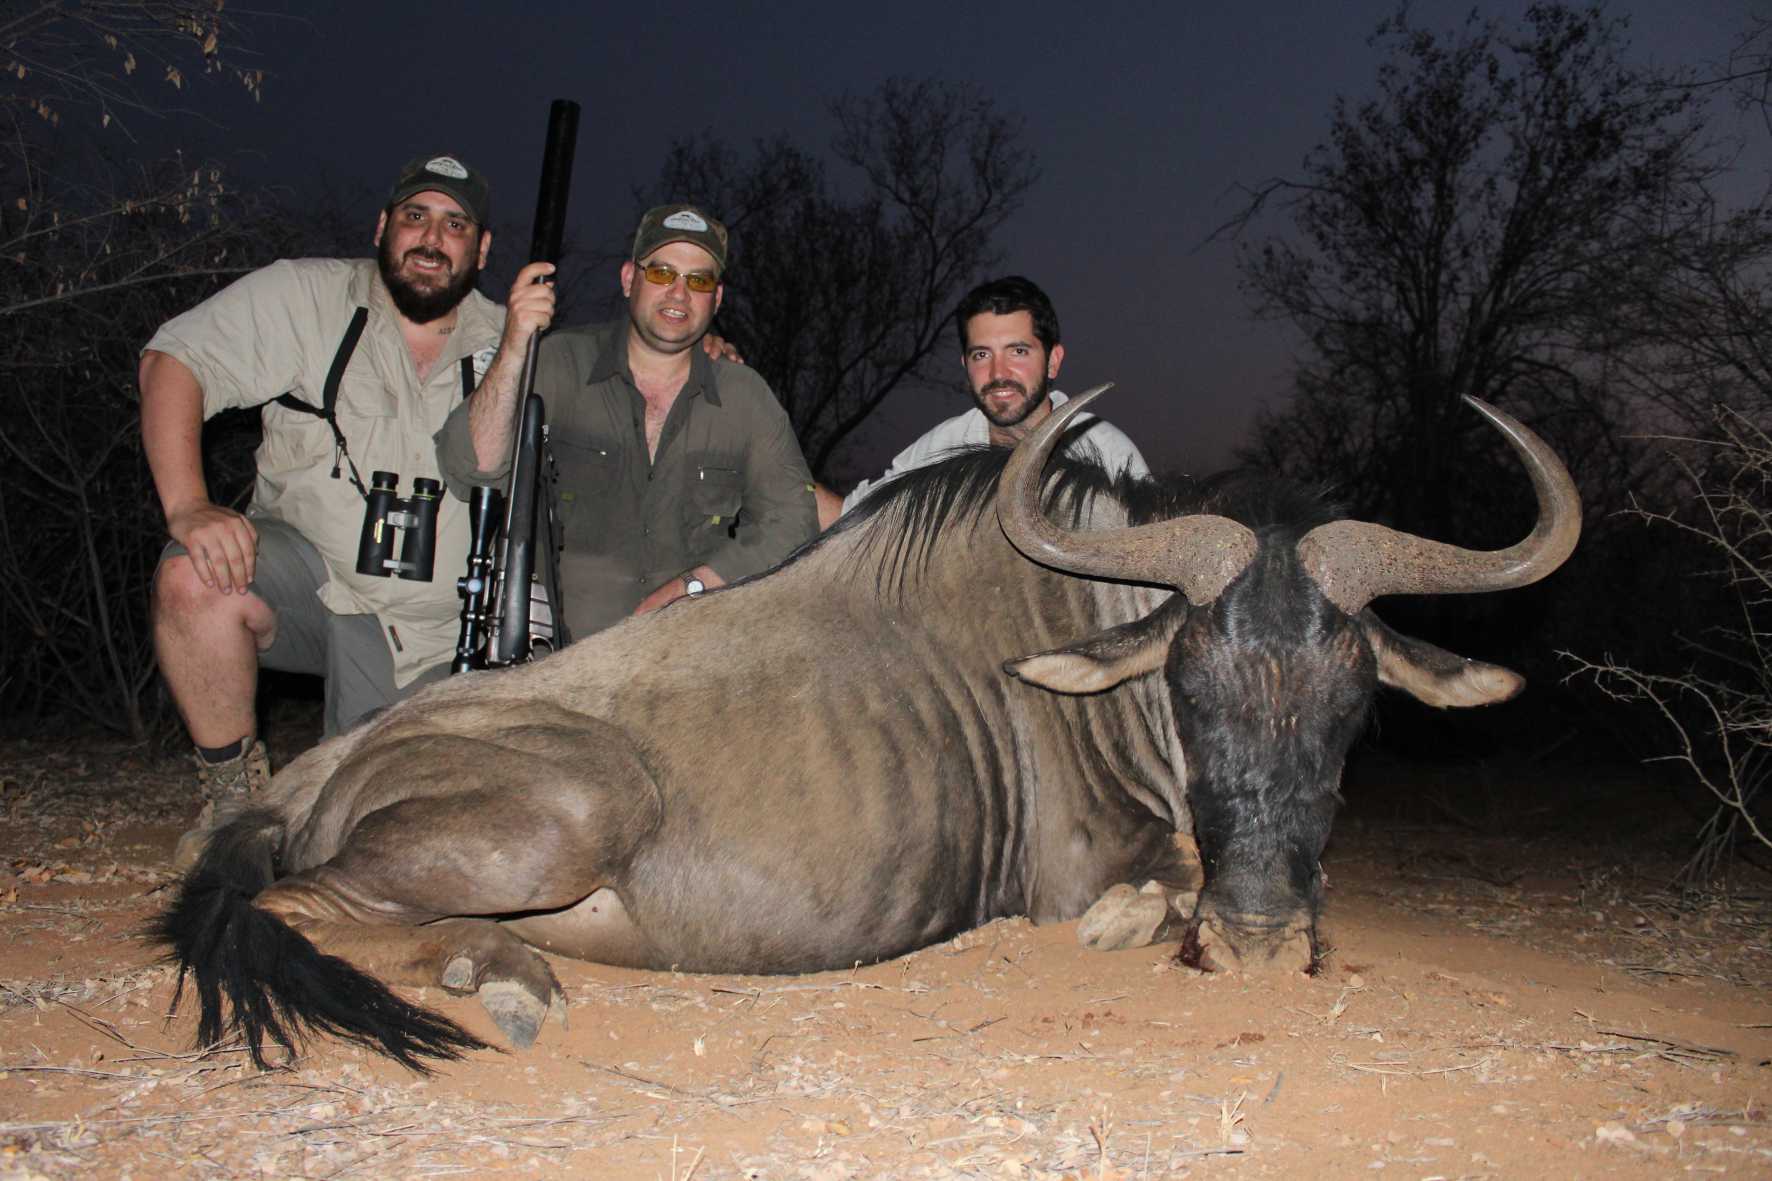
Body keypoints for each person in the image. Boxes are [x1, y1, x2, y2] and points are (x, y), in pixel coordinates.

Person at [142, 153, 555, 858]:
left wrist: (711, 358)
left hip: (445, 631)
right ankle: (231, 799)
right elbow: (172, 361)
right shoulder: (303, 296)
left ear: (482, 249)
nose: (431, 237)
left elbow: (631, 382)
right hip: (319, 590)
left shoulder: (520, 335)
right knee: (191, 575)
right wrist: (188, 506)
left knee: (393, 835)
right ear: (382, 227)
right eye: (414, 216)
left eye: (456, 224)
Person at [436, 203, 818, 639]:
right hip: (555, 666)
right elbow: (472, 467)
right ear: (627, 279)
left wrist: (694, 587)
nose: (678, 293)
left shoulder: (745, 396)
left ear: (717, 298)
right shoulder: (559, 363)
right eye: (660, 273)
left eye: (698, 280)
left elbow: (793, 520)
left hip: (685, 667)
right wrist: (516, 343)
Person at [814, 275, 1148, 528]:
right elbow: (850, 521)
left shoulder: (1107, 451)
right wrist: (772, 458)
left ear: (1053, 361)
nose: (998, 372)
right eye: (981, 354)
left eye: (1018, 351)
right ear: (965, 365)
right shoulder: (942, 446)